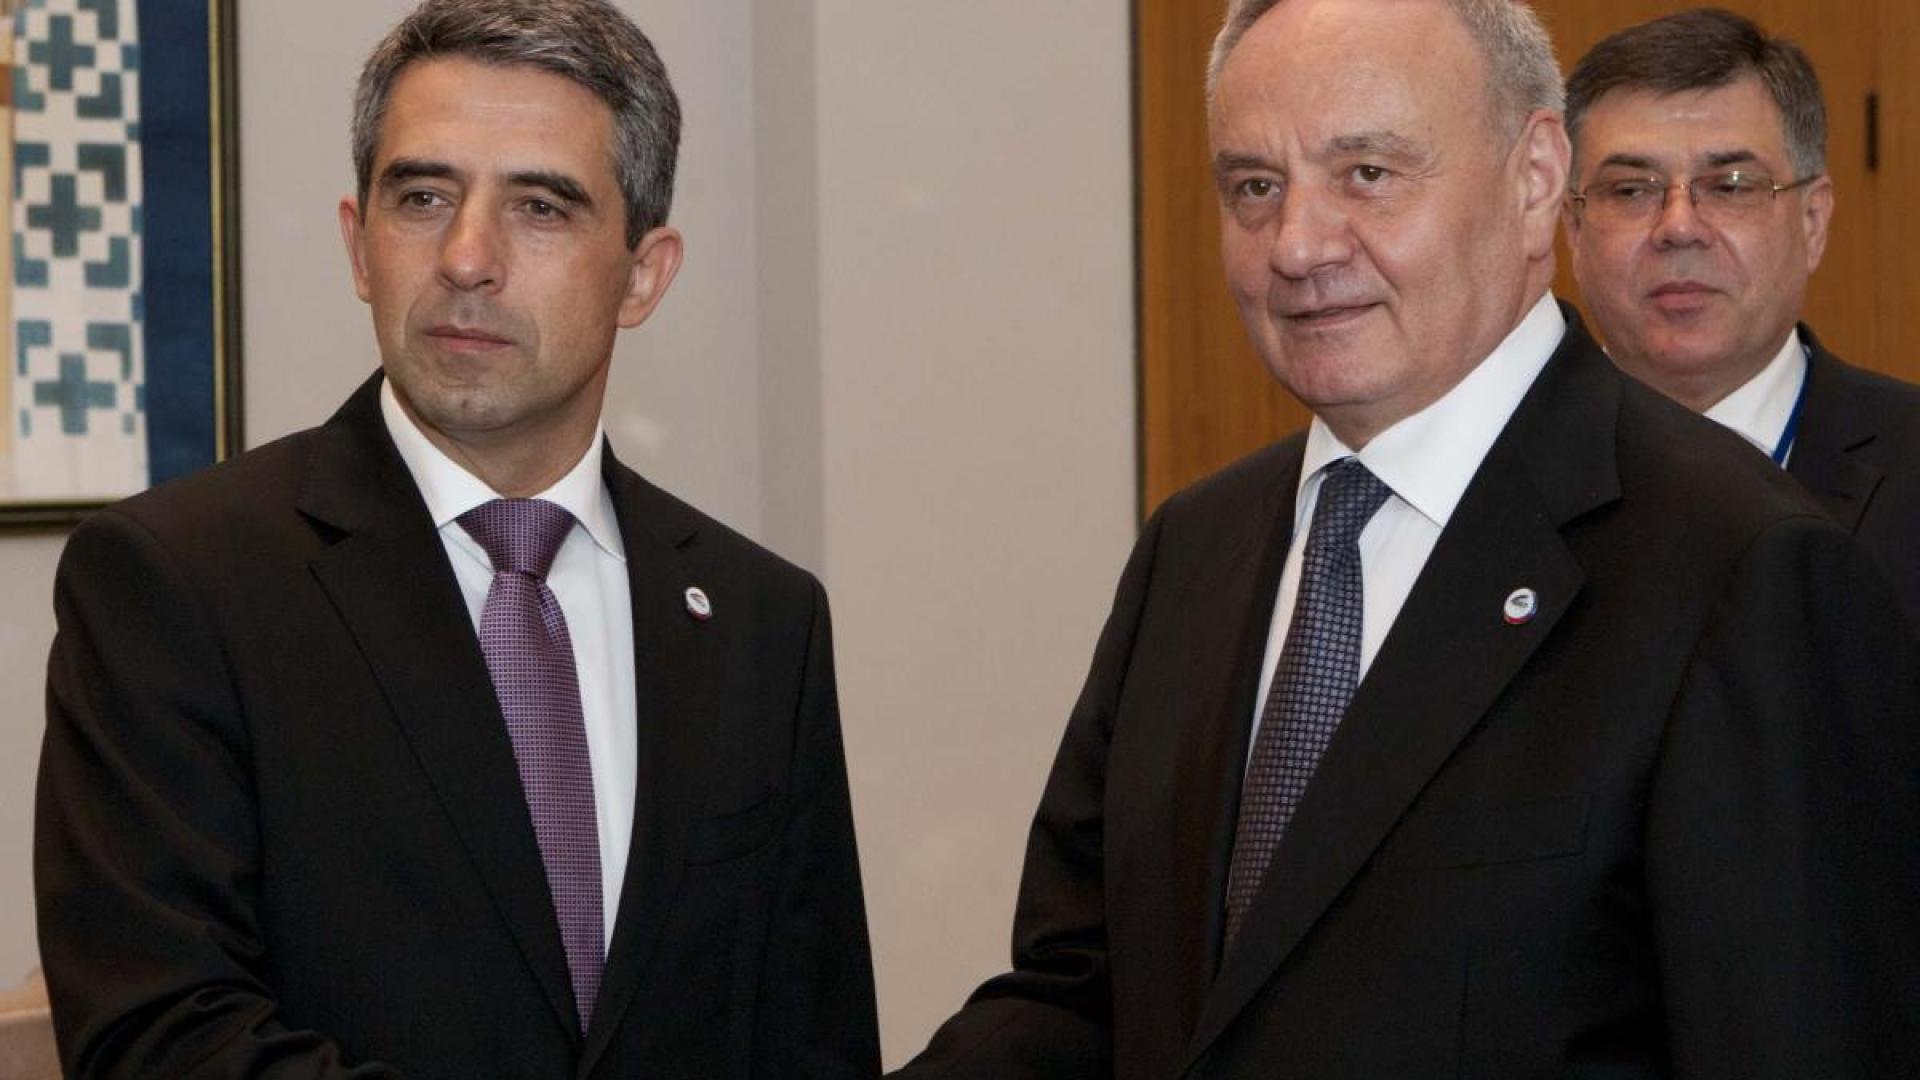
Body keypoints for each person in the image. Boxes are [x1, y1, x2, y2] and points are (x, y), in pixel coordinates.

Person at [897, 0, 1919, 1077]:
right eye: (1255, 187)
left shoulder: (1737, 566)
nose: (1298, 245)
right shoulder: (1191, 550)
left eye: (1368, 173)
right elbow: (1087, 995)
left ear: (1535, 181)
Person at [34, 1, 879, 1076]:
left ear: (643, 275)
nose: (467, 258)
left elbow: (812, 1038)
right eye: (423, 197)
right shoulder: (177, 582)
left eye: (541, 207)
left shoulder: (761, 619)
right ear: (359, 246)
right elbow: (157, 1038)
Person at [1563, 8, 1920, 630]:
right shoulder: (1492, 470)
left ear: (1813, 221)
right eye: (1631, 190)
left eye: (1729, 186)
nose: (1678, 227)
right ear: (1572, 228)